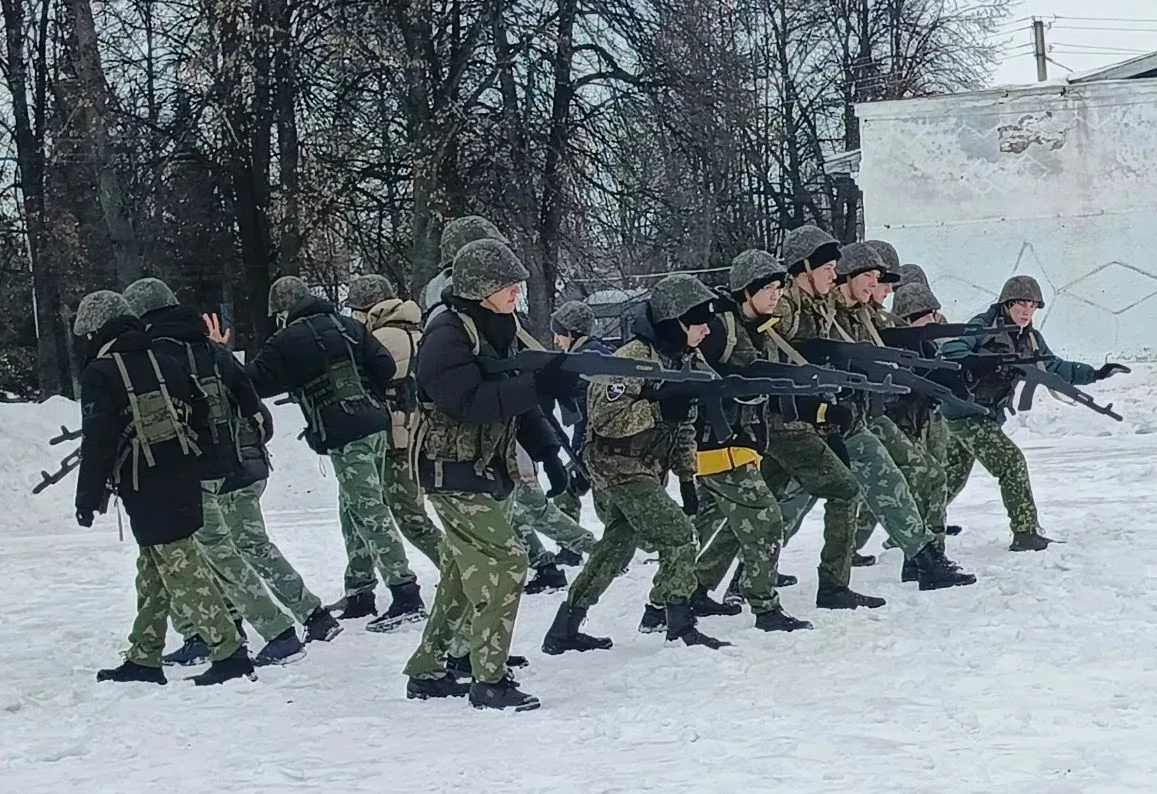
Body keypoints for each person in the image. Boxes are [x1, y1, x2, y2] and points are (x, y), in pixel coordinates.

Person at [212, 277, 433, 632]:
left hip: (345, 433)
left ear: (282, 311)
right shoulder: (347, 325)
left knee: (368, 511)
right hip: (376, 424)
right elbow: (384, 366)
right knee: (352, 508)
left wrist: (221, 354)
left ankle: (405, 592)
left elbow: (251, 384)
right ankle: (360, 591)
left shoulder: (285, 341)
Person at [403, 238, 565, 712]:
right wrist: (540, 385)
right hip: (450, 471)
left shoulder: (500, 327)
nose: (516, 291)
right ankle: (488, 679)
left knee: (460, 572)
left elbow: (516, 398)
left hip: (484, 469)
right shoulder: (446, 334)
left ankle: (428, 670)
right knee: (507, 561)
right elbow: (470, 402)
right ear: (479, 287)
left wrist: (548, 451)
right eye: (506, 284)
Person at [774, 231, 976, 593]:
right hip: (803, 420)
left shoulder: (837, 307)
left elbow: (892, 339)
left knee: (884, 478)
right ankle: (748, 575)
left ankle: (924, 558)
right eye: (868, 276)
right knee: (791, 500)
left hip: (842, 417)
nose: (877, 285)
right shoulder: (800, 306)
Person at [123, 278, 310, 667]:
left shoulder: (153, 355)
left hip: (183, 467)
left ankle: (277, 632)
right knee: (194, 553)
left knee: (211, 552)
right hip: (225, 463)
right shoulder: (209, 348)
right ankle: (204, 632)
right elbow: (253, 406)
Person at [73, 291, 255, 686]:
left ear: (96, 331)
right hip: (184, 475)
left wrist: (87, 497)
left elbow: (99, 440)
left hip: (145, 485)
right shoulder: (164, 359)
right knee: (154, 571)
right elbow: (203, 410)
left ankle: (230, 652)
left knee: (182, 569)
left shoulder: (101, 373)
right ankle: (145, 655)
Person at [542, 273, 730, 655]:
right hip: (616, 466)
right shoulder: (629, 360)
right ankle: (679, 624)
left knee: (616, 546)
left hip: (647, 468)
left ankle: (564, 629)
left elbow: (685, 424)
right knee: (679, 535)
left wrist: (687, 477)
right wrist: (658, 409)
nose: (707, 330)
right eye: (699, 322)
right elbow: (606, 420)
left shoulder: (686, 359)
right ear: (674, 321)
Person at [940, 276, 1128, 550]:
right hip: (965, 412)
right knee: (1011, 463)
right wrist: (978, 363)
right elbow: (952, 350)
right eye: (1021, 304)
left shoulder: (1031, 340)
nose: (1026, 311)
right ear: (1007, 304)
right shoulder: (983, 327)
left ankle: (917, 528)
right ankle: (1025, 532)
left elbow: (1054, 367)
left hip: (983, 413)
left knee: (950, 477)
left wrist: (1095, 373)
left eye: (1032, 306)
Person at [685, 249, 812, 633]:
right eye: (767, 288)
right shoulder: (720, 328)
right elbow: (696, 379)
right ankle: (764, 605)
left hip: (738, 442)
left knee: (719, 525)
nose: (775, 295)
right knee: (766, 520)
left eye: (778, 287)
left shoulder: (759, 329)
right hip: (716, 443)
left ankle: (675, 599)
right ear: (746, 290)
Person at [334, 274, 445, 630]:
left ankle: (457, 571)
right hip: (408, 434)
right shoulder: (415, 331)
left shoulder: (381, 338)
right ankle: (360, 587)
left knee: (402, 515)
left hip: (394, 439)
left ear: (366, 309)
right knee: (358, 509)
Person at [547, 300, 611, 525]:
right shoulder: (593, 355)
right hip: (589, 448)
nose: (556, 341)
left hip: (601, 452)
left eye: (559, 335)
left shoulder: (586, 363)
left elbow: (591, 416)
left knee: (609, 512)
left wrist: (581, 456)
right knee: (566, 490)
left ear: (572, 333)